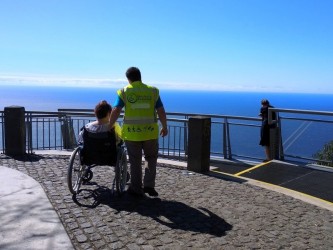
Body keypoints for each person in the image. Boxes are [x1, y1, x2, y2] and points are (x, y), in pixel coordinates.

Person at [109, 67, 168, 197]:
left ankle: (136, 188)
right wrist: (165, 126)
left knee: (135, 161)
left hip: (132, 134)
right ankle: (149, 186)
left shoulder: (124, 91)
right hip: (150, 133)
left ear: (128, 79)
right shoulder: (152, 91)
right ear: (140, 76)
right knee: (151, 159)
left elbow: (116, 110)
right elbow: (161, 110)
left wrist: (110, 125)